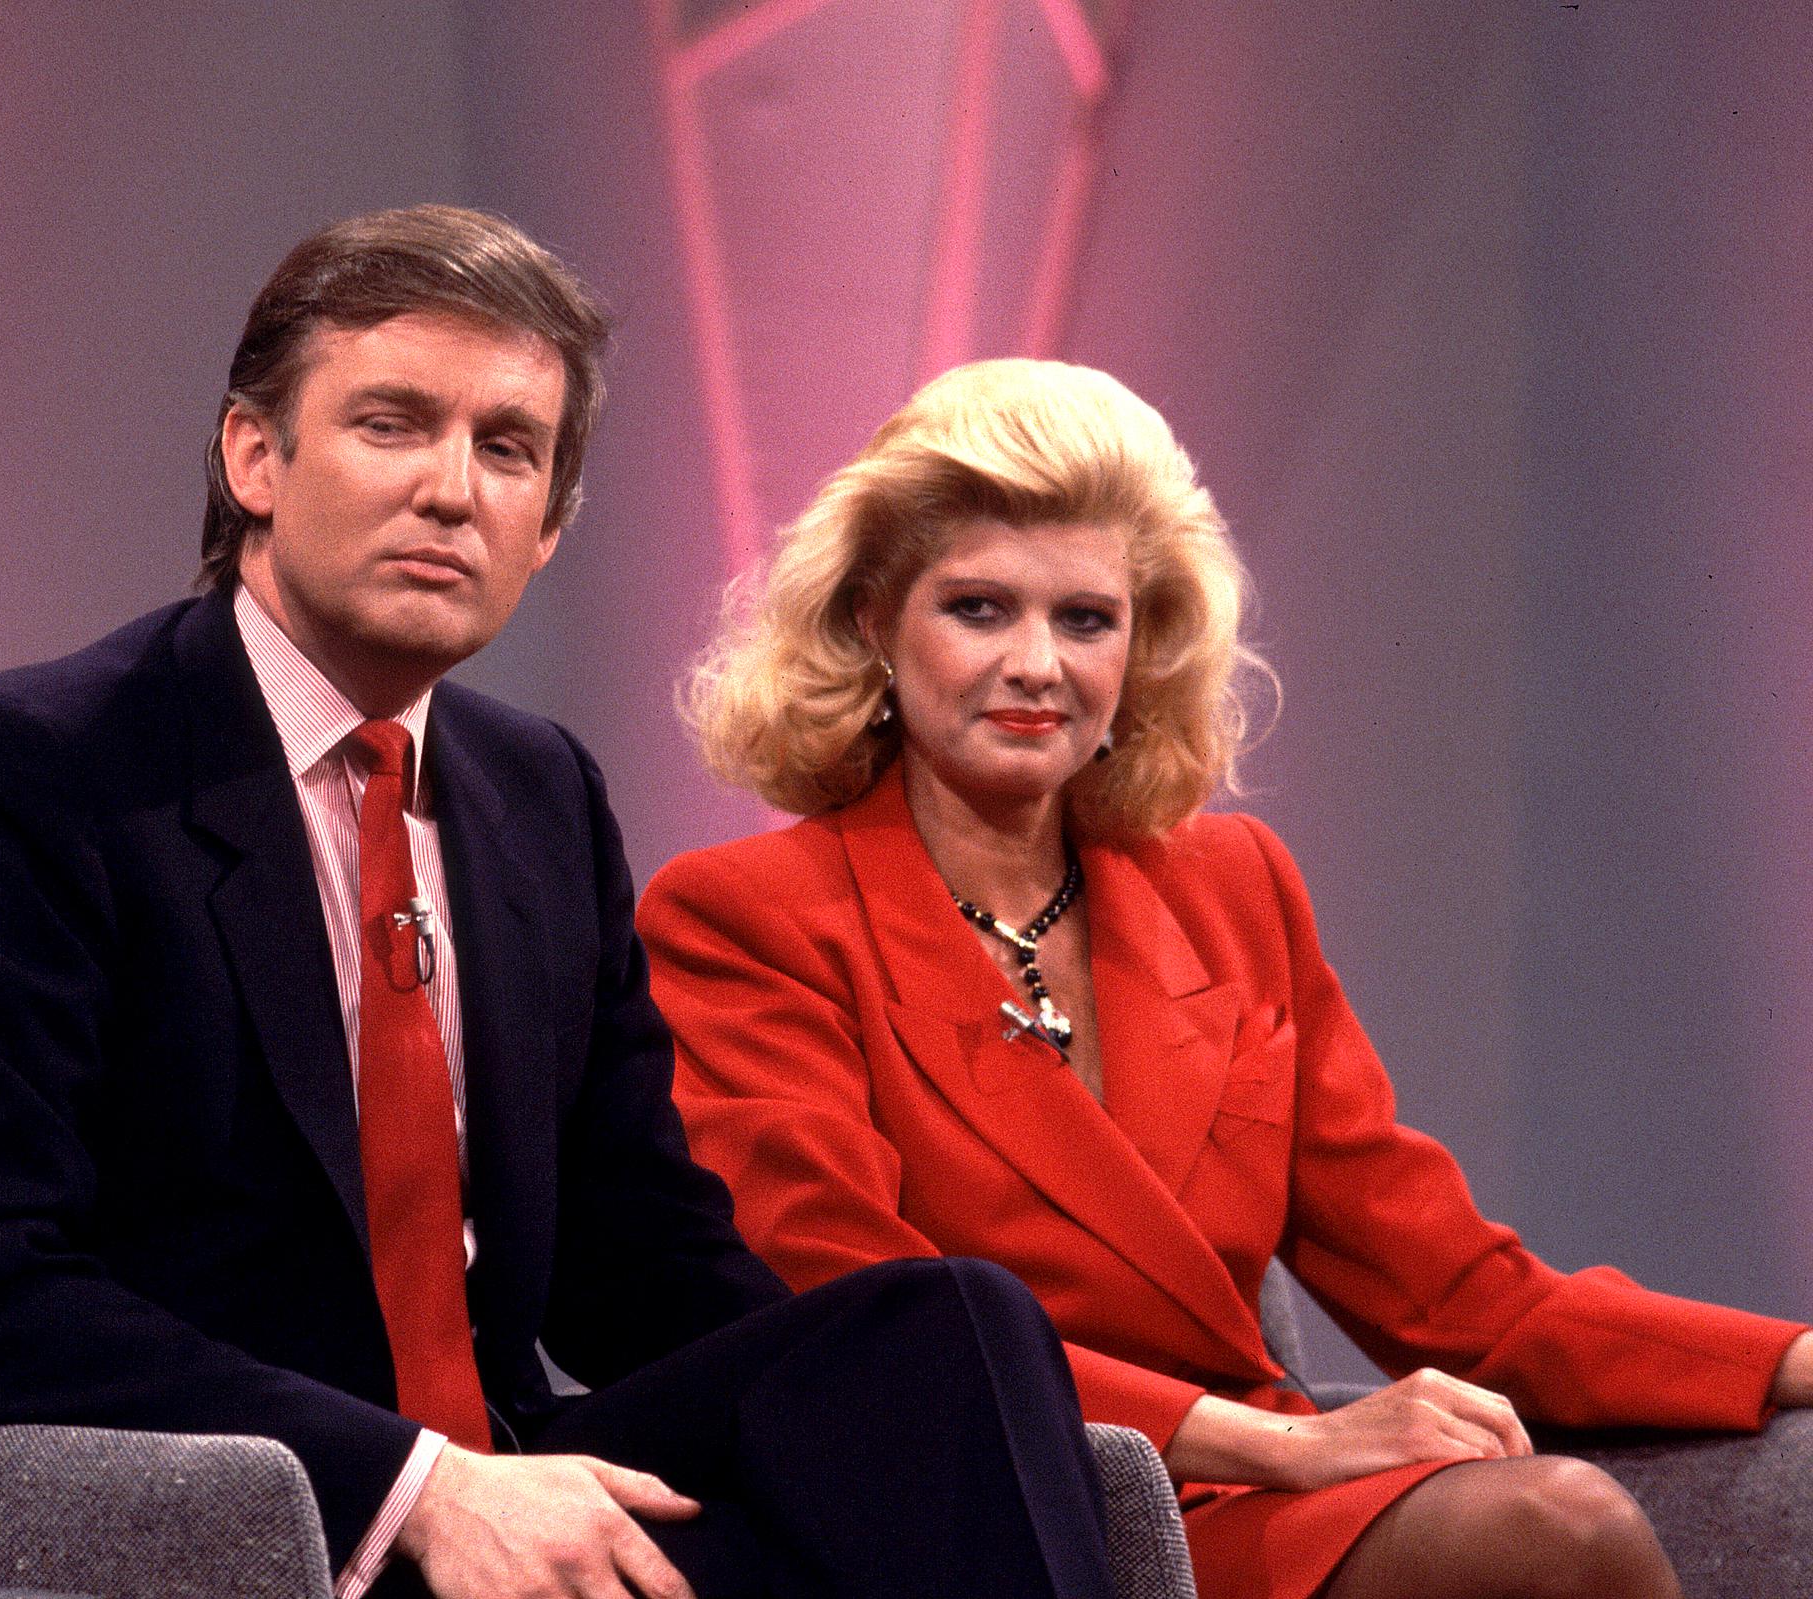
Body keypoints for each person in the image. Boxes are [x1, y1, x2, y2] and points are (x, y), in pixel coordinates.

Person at [0, 207, 1117, 1599]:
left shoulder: (538, 791)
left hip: (517, 1470)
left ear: (553, 522)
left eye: (508, 448)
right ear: (252, 457)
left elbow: (640, 1256)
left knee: (949, 1333)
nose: (455, 490)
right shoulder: (38, 772)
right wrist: (417, 1484)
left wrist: (836, 1430)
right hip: (259, 1517)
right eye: (393, 424)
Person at [636, 357, 1813, 1599]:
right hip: (1010, 1511)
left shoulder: (1231, 884)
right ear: (875, 621)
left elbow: (1456, 1291)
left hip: (1259, 1494)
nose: (1038, 664)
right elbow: (872, 1316)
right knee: (1557, 1530)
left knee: (1569, 1515)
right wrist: (1292, 1443)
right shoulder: (745, 919)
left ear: (1141, 646)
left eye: (1086, 619)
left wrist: (1791, 1359)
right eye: (979, 609)